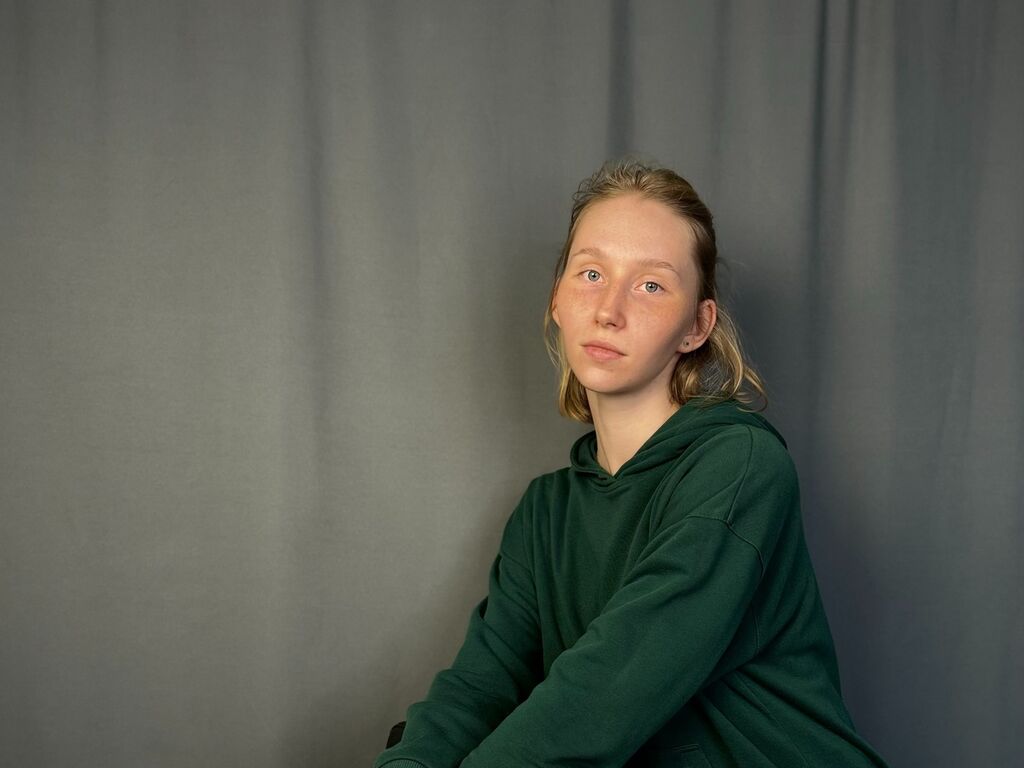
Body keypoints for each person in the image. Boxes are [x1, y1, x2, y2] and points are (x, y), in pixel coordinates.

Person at [373, 161, 889, 767]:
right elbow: (478, 689)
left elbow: (609, 689)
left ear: (696, 326)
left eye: (650, 286)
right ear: (558, 298)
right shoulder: (546, 511)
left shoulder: (740, 466)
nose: (608, 310)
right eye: (591, 274)